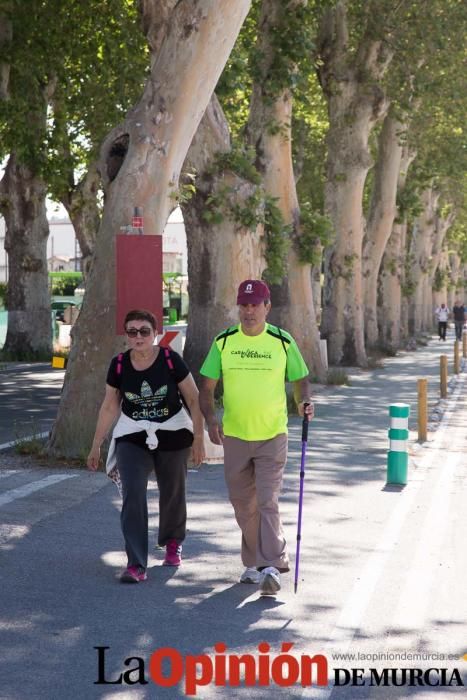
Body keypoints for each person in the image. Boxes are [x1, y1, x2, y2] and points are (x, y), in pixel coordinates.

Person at [199, 280, 314, 595]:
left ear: (267, 307)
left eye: (255, 304)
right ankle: (253, 561)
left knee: (267, 500)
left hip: (272, 434)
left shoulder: (281, 340)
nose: (249, 310)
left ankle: (272, 567)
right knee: (242, 504)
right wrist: (210, 419)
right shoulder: (224, 342)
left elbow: (300, 379)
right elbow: (206, 388)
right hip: (235, 435)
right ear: (239, 307)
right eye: (244, 305)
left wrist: (304, 402)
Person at [87, 309, 205, 583]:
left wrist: (199, 439)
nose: (138, 336)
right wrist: (96, 444)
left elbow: (194, 398)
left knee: (173, 490)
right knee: (133, 493)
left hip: (173, 432)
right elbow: (109, 405)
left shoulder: (169, 359)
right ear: (126, 335)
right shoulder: (118, 364)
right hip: (133, 434)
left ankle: (173, 542)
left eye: (144, 331)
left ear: (155, 334)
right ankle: (136, 564)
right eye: (132, 331)